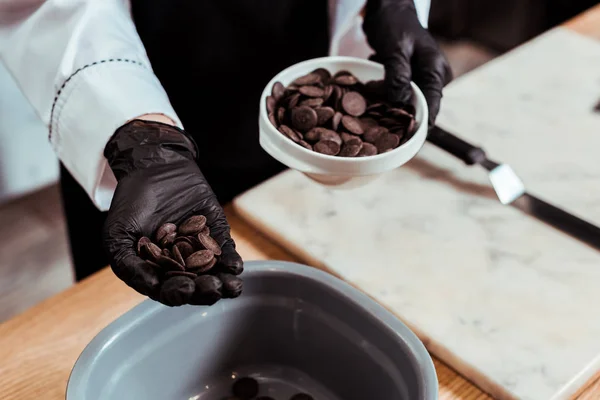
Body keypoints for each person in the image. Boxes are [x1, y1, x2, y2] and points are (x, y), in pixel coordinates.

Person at [0, 0, 451, 305]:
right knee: (122, 306)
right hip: (128, 131)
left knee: (281, 287)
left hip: (290, 91)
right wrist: (139, 139)